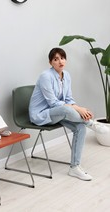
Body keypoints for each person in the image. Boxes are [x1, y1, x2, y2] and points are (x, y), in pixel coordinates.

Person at [29, 47, 108, 181]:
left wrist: (80, 108)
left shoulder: (67, 75)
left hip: (58, 113)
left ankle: (74, 168)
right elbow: (53, 103)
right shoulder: (45, 76)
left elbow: (68, 99)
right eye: (56, 59)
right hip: (42, 115)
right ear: (50, 63)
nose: (60, 61)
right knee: (67, 110)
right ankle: (92, 123)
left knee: (80, 127)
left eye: (62, 58)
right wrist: (79, 110)